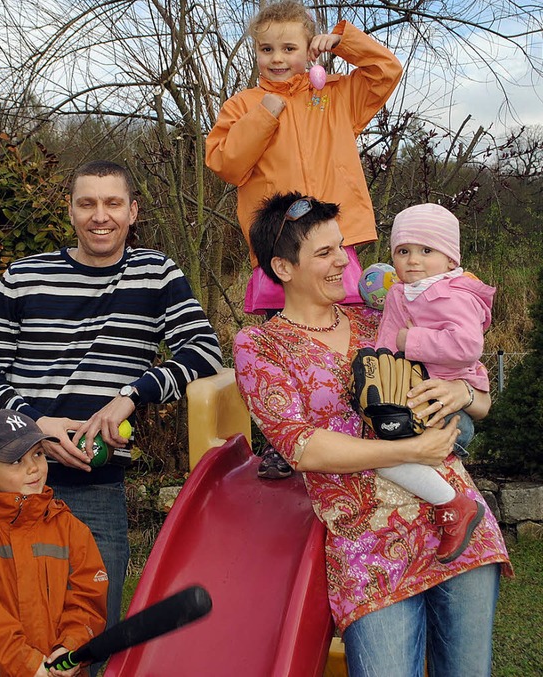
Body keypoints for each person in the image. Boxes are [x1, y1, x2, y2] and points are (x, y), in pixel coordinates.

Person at [233, 192, 512, 676]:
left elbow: (479, 394)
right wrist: (408, 449)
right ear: (282, 267)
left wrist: (460, 395)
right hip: (367, 546)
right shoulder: (260, 346)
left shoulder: (381, 320)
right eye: (324, 253)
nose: (343, 261)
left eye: (341, 247)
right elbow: (303, 446)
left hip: (458, 523)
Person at [0, 160, 223, 635]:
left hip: (96, 488)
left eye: (112, 203)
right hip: (14, 481)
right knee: (1, 627)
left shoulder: (156, 274)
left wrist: (131, 395)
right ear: (70, 211)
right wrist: (33, 424)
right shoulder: (23, 277)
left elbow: (204, 352)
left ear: (133, 211)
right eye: (87, 203)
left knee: (91, 632)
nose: (99, 216)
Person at [205, 0, 402, 479]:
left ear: (309, 48)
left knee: (355, 333)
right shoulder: (242, 106)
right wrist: (266, 112)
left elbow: (386, 71)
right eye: (265, 48)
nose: (276, 57)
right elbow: (227, 165)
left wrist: (344, 39)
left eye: (289, 47)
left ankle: (367, 424)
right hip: (280, 249)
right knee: (284, 342)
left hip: (338, 242)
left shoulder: (333, 94)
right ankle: (283, 437)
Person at [368, 202, 496, 562]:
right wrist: (375, 375)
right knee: (382, 449)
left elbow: (468, 346)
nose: (413, 260)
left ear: (451, 259)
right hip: (417, 399)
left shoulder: (456, 294)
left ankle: (456, 507)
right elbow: (388, 341)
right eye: (403, 251)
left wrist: (414, 341)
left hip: (453, 412)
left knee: (386, 456)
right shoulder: (399, 293)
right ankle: (449, 505)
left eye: (426, 250)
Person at [0, 409, 108, 677]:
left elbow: (88, 600)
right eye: (16, 460)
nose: (33, 467)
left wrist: (72, 646)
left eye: (38, 454)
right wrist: (26, 664)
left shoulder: (71, 529)